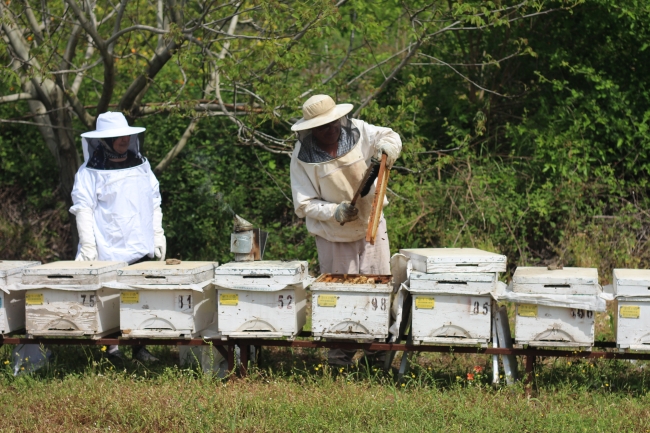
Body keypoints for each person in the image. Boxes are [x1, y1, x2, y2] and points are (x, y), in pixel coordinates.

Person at [289, 94, 402, 367]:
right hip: (333, 236)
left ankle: (377, 355)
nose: (331, 129)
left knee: (377, 290)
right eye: (323, 127)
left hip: (371, 224)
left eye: (334, 123)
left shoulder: (360, 130)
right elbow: (303, 204)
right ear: (311, 130)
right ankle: (339, 358)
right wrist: (334, 211)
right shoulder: (301, 157)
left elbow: (390, 136)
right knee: (340, 295)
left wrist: (388, 147)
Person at [70, 111, 166, 362]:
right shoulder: (89, 172)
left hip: (140, 244)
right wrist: (88, 246)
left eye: (126, 135)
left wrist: (157, 233)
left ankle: (139, 348)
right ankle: (110, 350)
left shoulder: (141, 164)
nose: (124, 139)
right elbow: (83, 209)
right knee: (108, 299)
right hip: (108, 247)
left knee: (140, 297)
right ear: (104, 140)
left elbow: (154, 200)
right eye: (118, 136)